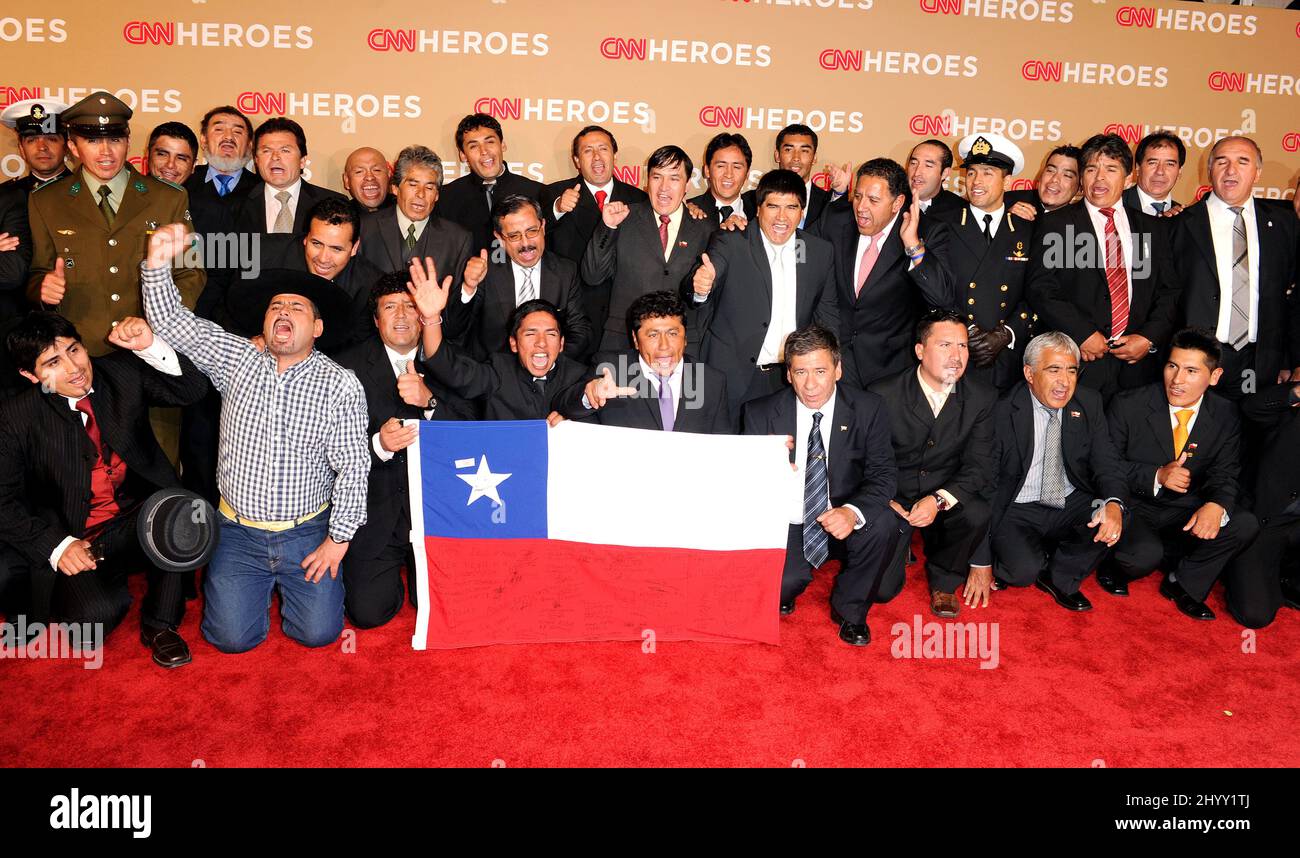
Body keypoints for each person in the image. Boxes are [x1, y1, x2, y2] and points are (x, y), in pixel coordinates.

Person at [141, 223, 369, 653]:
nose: (283, 312)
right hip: (237, 532)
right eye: (276, 307)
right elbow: (174, 322)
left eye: (297, 309)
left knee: (318, 634)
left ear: (317, 329)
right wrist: (156, 264)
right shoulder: (237, 358)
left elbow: (354, 467)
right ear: (264, 322)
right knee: (229, 639)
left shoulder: (340, 384)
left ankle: (295, 591)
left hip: (307, 531)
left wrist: (337, 541)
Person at [0, 311, 207, 667]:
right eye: (53, 362)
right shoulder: (15, 417)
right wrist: (57, 546)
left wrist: (150, 346)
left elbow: (192, 390)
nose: (73, 367)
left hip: (136, 519)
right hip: (76, 536)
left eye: (74, 350)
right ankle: (108, 582)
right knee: (91, 623)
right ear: (30, 375)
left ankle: (160, 625)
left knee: (182, 510)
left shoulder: (121, 372)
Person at [742, 325, 901, 645]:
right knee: (782, 587)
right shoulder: (760, 413)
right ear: (788, 374)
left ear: (838, 370)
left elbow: (884, 475)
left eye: (820, 370)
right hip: (791, 517)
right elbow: (746, 485)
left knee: (883, 530)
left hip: (844, 509)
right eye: (800, 371)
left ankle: (851, 611)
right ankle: (790, 580)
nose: (811, 384)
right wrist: (770, 474)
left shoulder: (869, 409)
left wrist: (852, 512)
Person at [333, 274, 469, 629]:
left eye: (411, 306)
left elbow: (472, 433)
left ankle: (421, 579)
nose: (402, 316)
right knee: (368, 613)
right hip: (374, 507)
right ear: (376, 320)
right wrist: (378, 445)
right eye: (390, 307)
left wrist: (431, 403)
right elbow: (324, 447)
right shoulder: (344, 367)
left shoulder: (449, 359)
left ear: (424, 314)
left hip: (437, 509)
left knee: (449, 607)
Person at [26, 91, 204, 356]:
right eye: (93, 140)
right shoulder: (46, 201)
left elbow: (191, 273)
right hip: (78, 352)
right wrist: (42, 289)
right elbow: (39, 271)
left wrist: (161, 321)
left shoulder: (169, 198)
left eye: (115, 139)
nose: (106, 152)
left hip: (148, 346)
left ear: (128, 142)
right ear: (73, 147)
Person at [1100, 329, 1259, 621]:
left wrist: (1216, 505)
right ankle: (1118, 564)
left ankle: (1183, 583)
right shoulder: (1128, 403)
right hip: (1137, 505)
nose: (1177, 379)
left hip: (1185, 510)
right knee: (1143, 556)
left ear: (1214, 376)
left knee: (1244, 523)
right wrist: (1156, 475)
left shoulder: (1226, 413)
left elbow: (1226, 472)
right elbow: (1105, 465)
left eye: (1190, 370)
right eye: (1172, 366)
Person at [1026, 133, 1180, 399]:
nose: (1099, 179)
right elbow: (1041, 288)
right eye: (1091, 169)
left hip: (1137, 368)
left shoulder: (1151, 228)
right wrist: (1082, 334)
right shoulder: (1058, 225)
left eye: (1111, 169)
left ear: (1129, 177)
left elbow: (1168, 291)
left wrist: (1147, 337)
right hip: (1078, 362)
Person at [869, 310, 996, 617]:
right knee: (882, 591)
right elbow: (867, 460)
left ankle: (944, 580)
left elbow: (980, 467)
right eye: (945, 345)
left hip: (944, 493)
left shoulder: (982, 397)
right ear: (920, 350)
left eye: (963, 346)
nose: (956, 356)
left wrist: (939, 500)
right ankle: (898, 547)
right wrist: (884, 500)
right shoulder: (881, 394)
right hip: (894, 496)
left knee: (977, 511)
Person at [990, 332, 1127, 611]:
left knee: (1115, 514)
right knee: (1020, 573)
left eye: (1071, 371)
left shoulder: (1088, 402)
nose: (1064, 382)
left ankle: (1060, 576)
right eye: (1053, 370)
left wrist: (1114, 503)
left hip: (1069, 498)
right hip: (1017, 505)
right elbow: (983, 484)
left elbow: (1107, 461)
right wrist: (978, 559)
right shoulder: (1001, 409)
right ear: (1029, 373)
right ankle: (1026, 558)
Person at [687, 169, 838, 419]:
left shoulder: (819, 251)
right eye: (773, 206)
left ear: (802, 211)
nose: (781, 217)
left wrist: (831, 365)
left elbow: (828, 316)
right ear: (758, 209)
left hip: (791, 380)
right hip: (731, 376)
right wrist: (700, 288)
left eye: (791, 207)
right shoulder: (732, 241)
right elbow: (702, 285)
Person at [1171, 136, 1300, 400]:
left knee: (1252, 437)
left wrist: (1289, 359)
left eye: (1243, 162)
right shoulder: (1179, 224)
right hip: (1199, 359)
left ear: (1257, 172)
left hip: (1261, 361)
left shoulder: (1285, 223)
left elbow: (1292, 300)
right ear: (1209, 170)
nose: (1231, 170)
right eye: (1222, 161)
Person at [809, 157, 953, 387]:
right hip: (837, 362)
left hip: (892, 369)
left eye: (873, 200)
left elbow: (942, 297)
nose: (861, 207)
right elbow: (797, 250)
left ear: (897, 203)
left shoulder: (927, 230)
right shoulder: (835, 218)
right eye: (857, 196)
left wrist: (913, 245)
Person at [412, 253, 590, 421]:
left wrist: (575, 415)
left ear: (561, 343)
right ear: (513, 343)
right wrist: (431, 318)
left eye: (551, 334)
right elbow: (448, 366)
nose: (541, 343)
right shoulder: (498, 371)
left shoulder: (577, 377)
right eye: (530, 333)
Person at [927, 133, 1035, 391]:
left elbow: (1036, 292)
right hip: (957, 353)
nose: (976, 181)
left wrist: (1006, 333)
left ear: (1007, 181)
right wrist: (968, 332)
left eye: (988, 172)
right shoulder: (943, 224)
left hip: (1007, 357)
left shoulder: (1026, 230)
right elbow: (936, 289)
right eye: (972, 172)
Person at [581, 145, 712, 351]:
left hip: (681, 348)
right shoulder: (623, 218)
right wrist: (608, 226)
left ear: (687, 185)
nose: (663, 187)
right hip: (623, 343)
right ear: (647, 181)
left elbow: (707, 299)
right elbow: (592, 275)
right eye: (657, 177)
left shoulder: (705, 229)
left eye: (674, 178)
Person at [563, 290, 731, 433]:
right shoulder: (611, 369)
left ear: (685, 337)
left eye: (672, 333)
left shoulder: (712, 382)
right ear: (635, 340)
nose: (664, 346)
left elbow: (722, 449)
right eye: (653, 335)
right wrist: (589, 394)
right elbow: (564, 406)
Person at [450, 194, 593, 360]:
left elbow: (580, 331)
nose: (526, 244)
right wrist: (468, 288)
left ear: (543, 226)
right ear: (499, 238)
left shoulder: (565, 271)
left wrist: (548, 361)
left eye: (532, 231)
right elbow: (453, 330)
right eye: (514, 236)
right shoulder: (484, 270)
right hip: (492, 375)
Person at [540, 125, 648, 336]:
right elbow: (534, 235)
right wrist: (558, 208)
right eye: (588, 151)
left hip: (622, 314)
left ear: (615, 156)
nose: (597, 157)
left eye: (603, 149)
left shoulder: (639, 199)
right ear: (577, 161)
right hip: (571, 315)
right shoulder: (553, 193)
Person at [357, 145, 472, 299]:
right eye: (413, 185)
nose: (421, 194)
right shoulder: (364, 228)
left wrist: (469, 288)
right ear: (396, 188)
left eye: (429, 187)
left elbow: (458, 307)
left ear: (437, 195)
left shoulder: (458, 239)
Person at [1235, 381, 1300, 627]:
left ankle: (1289, 578)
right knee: (1255, 615)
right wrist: (1295, 391)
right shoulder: (1291, 408)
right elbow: (1252, 408)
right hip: (1268, 519)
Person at [0, 99, 71, 325]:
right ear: (21, 148)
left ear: (67, 144)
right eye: (31, 140)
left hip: (72, 316)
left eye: (51, 138)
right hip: (11, 323)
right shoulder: (4, 197)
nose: (42, 147)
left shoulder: (90, 195)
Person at [436, 113, 544, 255]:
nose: (484, 151)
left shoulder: (536, 192)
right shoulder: (446, 198)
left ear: (502, 145)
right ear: (463, 155)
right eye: (473, 146)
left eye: (490, 142)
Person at [235, 116, 344, 236]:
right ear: (256, 160)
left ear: (302, 160)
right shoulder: (235, 204)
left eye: (285, 150)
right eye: (266, 151)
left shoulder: (334, 203)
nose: (275, 157)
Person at [742, 124, 830, 227]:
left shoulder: (828, 202)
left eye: (805, 151)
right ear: (777, 156)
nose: (796, 158)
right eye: (788, 150)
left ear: (814, 158)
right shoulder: (749, 201)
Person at [688, 133, 753, 226]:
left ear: (747, 174)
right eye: (721, 166)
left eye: (737, 167)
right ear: (707, 170)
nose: (729, 174)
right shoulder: (687, 211)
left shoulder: (759, 213)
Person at [1005, 145, 1082, 220]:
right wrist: (1004, 218)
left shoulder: (1079, 224)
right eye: (1050, 170)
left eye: (1067, 175)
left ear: (1079, 187)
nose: (1055, 179)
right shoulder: (1006, 201)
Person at [1123, 132, 1184, 217]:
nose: (1160, 171)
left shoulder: (1184, 217)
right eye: (1153, 163)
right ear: (1137, 167)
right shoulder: (1114, 205)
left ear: (1179, 172)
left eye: (1169, 164)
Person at [906, 139, 964, 216]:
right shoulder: (894, 202)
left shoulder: (960, 210)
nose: (917, 173)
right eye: (913, 163)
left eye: (928, 166)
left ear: (944, 173)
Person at [144, 121, 197, 188]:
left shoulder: (203, 197)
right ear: (148, 154)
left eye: (181, 158)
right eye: (162, 154)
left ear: (193, 165)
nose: (170, 165)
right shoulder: (128, 194)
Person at [341, 147, 394, 212]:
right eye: (359, 171)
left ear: (389, 174)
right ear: (347, 180)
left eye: (377, 170)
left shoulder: (404, 210)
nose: (370, 177)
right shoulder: (341, 216)